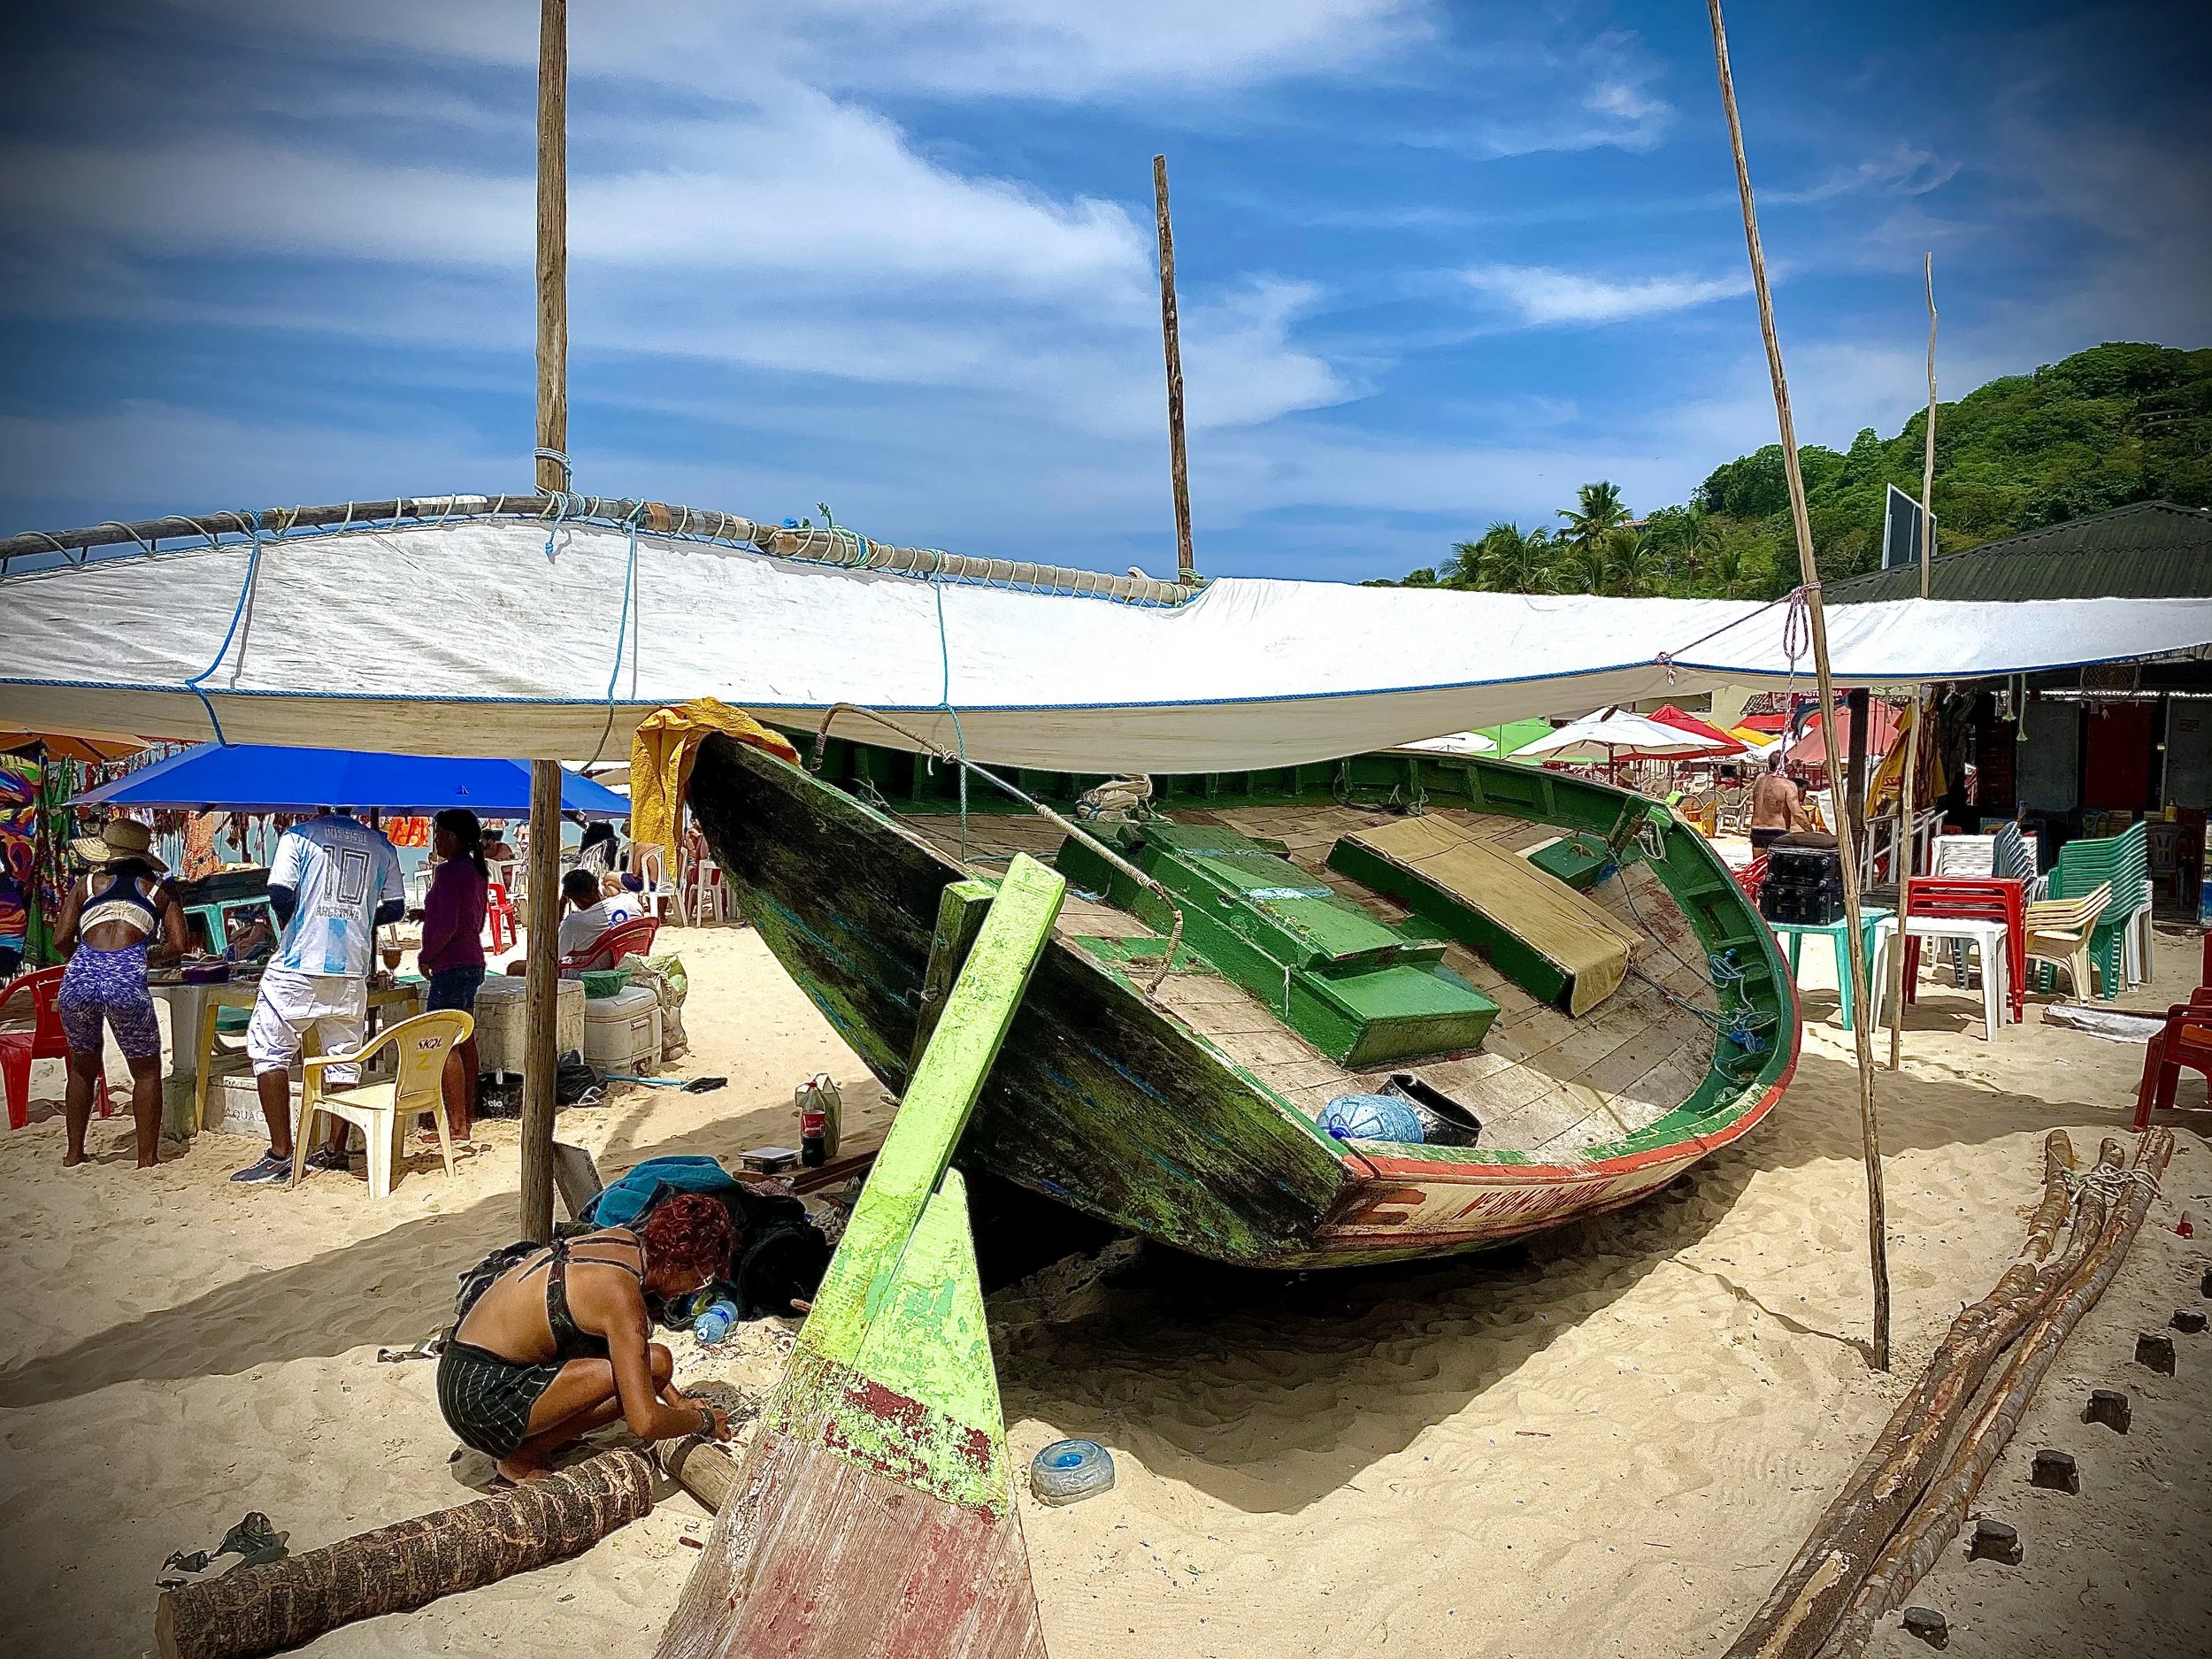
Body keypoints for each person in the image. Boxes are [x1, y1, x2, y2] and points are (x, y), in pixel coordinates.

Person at [436, 1193, 737, 1486]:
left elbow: (640, 1359)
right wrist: (704, 1421)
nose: (697, 1289)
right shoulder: (619, 1295)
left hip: (462, 1370)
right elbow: (644, 1422)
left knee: (657, 1362)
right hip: (479, 1399)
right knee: (636, 1384)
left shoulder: (624, 1243)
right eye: (702, 1278)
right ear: (675, 1263)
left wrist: (677, 1401)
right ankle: (523, 1456)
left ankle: (537, 1435)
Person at [231, 807, 404, 1186]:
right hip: (352, 965)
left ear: (321, 804)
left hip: (299, 961)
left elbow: (279, 892)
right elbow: (395, 906)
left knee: (268, 1049)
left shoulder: (299, 836)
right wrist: (357, 918)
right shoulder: (382, 844)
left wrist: (301, 920)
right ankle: (335, 1149)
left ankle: (280, 1153)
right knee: (342, 1057)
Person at [52, 819, 187, 1167]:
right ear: (143, 856)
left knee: (82, 1068)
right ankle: (146, 1158)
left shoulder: (88, 884)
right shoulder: (158, 891)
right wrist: (143, 954)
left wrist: (86, 962)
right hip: (126, 977)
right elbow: (178, 944)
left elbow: (60, 939)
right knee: (145, 1070)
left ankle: (74, 1153)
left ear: (109, 855)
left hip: (79, 977)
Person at [419, 808, 488, 1141]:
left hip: (452, 963)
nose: (435, 841)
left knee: (446, 1044)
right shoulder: (475, 871)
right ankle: (468, 1112)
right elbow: (474, 921)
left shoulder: (448, 873)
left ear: (452, 837)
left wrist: (426, 954)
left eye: (438, 834)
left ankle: (457, 1123)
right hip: (472, 960)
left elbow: (448, 925)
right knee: (465, 1038)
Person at [555, 867, 635, 964]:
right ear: (597, 885)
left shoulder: (573, 924)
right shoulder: (629, 902)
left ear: (577, 899)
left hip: (588, 973)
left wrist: (562, 904)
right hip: (627, 965)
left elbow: (554, 954)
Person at [1748, 753, 1805, 853]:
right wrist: (1810, 831)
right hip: (1777, 831)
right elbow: (1797, 813)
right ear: (1785, 766)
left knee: (1759, 866)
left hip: (1757, 830)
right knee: (1779, 867)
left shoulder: (1759, 780)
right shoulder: (1788, 785)